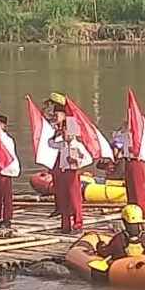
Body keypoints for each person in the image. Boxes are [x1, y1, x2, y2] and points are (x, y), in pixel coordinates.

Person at [47, 92, 90, 233]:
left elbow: (86, 158)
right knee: (64, 199)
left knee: (74, 199)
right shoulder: (62, 144)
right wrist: (56, 134)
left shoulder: (75, 144)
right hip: (63, 172)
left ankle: (78, 223)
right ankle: (65, 225)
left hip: (72, 173)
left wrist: (76, 161)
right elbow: (51, 144)